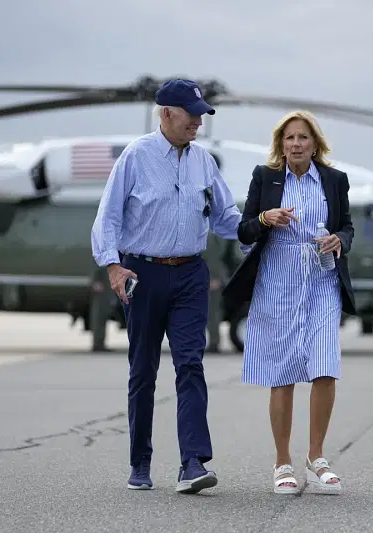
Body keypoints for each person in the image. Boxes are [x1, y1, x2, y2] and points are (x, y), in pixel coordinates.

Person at [90, 78, 242, 494]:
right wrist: (113, 266)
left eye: (201, 115)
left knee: (190, 363)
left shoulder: (203, 161)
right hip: (143, 272)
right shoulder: (136, 157)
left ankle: (192, 463)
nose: (198, 122)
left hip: (191, 273)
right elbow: (108, 217)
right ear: (166, 113)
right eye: (191, 114)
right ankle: (140, 462)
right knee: (143, 371)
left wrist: (263, 227)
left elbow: (226, 218)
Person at [223, 110, 356, 495]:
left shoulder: (334, 179)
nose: (296, 144)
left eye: (303, 138)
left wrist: (339, 241)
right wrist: (265, 217)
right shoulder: (265, 177)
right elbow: (243, 229)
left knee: (324, 365)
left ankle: (317, 459)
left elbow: (347, 226)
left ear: (316, 144)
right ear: (281, 145)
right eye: (289, 138)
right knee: (282, 371)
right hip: (278, 279)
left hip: (321, 278)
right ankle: (283, 462)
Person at [203, 232, 233, 353]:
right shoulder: (213, 232)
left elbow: (213, 257)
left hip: (213, 280)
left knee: (213, 313)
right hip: (213, 277)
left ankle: (214, 343)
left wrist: (213, 278)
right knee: (212, 312)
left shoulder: (210, 234)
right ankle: (214, 342)